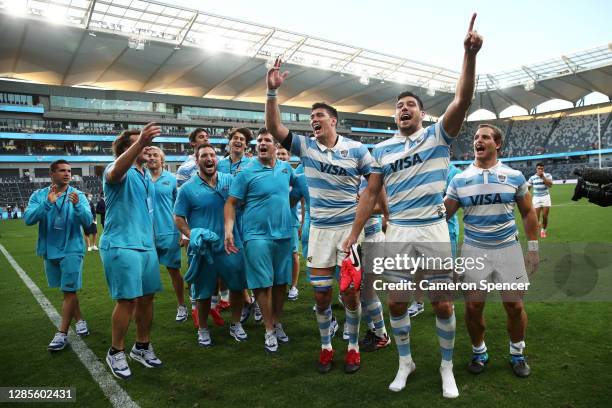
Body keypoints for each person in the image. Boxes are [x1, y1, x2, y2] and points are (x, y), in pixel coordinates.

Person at [343, 14, 483, 396]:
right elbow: (370, 194)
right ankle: (405, 362)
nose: (404, 109)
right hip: (399, 229)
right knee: (398, 304)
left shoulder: (438, 136)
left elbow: (463, 99)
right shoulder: (382, 150)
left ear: (421, 113)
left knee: (441, 305)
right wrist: (354, 233)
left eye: (410, 105)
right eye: (399, 106)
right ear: (394, 115)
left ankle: (446, 367)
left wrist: (468, 55)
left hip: (433, 228)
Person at [265, 61, 374, 374]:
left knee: (350, 292)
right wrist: (272, 93)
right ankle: (326, 345)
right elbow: (274, 129)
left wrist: (372, 209)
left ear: (334, 121)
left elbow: (374, 185)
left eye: (319, 116)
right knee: (322, 294)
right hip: (320, 231)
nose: (314, 121)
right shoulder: (306, 147)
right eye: (311, 117)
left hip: (350, 232)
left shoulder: (356, 150)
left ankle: (352, 346)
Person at [444, 124, 539, 378]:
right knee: (473, 308)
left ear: (497, 144)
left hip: (508, 250)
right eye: (476, 137)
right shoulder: (459, 180)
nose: (478, 140)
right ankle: (479, 352)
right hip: (475, 251)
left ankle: (517, 353)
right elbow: (443, 216)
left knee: (515, 307)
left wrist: (532, 249)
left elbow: (529, 213)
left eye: (485, 137)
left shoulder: (515, 176)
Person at [100, 124, 163, 380]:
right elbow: (115, 173)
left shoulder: (145, 175)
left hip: (145, 246)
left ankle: (142, 346)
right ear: (127, 149)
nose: (146, 147)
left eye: (146, 144)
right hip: (121, 245)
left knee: (147, 299)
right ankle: (116, 351)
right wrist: (139, 143)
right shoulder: (117, 169)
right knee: (127, 300)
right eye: (140, 143)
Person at [224, 129, 296, 353]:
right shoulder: (245, 173)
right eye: (259, 141)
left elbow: (295, 192)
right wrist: (228, 230)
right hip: (256, 236)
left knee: (281, 283)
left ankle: (276, 321)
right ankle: (268, 329)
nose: (262, 143)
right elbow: (231, 203)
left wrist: (288, 208)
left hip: (284, 234)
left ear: (276, 146)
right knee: (263, 284)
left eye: (267, 140)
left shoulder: (286, 169)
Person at [174, 143, 248, 347]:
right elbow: (178, 217)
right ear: (197, 161)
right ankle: (203, 329)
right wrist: (191, 234)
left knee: (237, 285)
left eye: (212, 155)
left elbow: (242, 201)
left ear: (216, 159)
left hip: (231, 243)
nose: (209, 158)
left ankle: (235, 323)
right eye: (204, 155)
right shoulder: (187, 189)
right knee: (203, 291)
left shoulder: (229, 180)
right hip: (203, 249)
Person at [24, 160, 93, 351]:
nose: (67, 173)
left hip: (72, 249)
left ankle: (62, 333)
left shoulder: (78, 195)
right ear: (52, 173)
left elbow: (88, 221)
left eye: (69, 171)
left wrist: (78, 206)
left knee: (69, 290)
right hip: (49, 249)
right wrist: (47, 203)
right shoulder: (39, 195)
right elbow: (28, 219)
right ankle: (80, 320)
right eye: (62, 170)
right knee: (67, 290)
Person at [407, 164, 461, 318]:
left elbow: (453, 201)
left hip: (446, 226)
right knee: (419, 265)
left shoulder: (454, 173)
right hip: (421, 225)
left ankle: (449, 300)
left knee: (449, 266)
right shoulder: (424, 168)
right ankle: (418, 302)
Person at [217, 128, 260, 320]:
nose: (238, 141)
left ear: (246, 144)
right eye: (235, 138)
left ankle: (255, 302)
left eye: (242, 139)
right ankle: (247, 301)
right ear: (229, 142)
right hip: (228, 219)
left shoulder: (252, 164)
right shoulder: (219, 164)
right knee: (235, 263)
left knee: (252, 262)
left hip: (247, 218)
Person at [147, 146, 186, 323]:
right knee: (147, 272)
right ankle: (146, 307)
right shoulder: (141, 178)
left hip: (169, 232)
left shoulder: (171, 179)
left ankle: (181, 305)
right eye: (149, 155)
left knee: (174, 271)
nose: (152, 158)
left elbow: (180, 208)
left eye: (156, 155)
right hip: (145, 234)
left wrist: (182, 232)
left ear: (162, 160)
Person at [357, 176, 391, 352]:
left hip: (374, 239)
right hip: (359, 240)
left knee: (369, 291)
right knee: (362, 291)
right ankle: (373, 331)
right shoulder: (349, 178)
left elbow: (384, 209)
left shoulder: (372, 180)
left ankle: (382, 335)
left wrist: (359, 207)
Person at [276, 145, 301, 301]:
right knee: (277, 255)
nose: (281, 156)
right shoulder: (271, 173)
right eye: (278, 153)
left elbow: (301, 195)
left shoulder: (294, 173)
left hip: (290, 220)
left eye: (283, 154)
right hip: (273, 221)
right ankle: (281, 284)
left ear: (289, 156)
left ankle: (293, 286)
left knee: (293, 254)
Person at [527, 163, 553, 238]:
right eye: (539, 168)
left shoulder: (548, 175)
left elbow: (550, 185)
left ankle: (543, 230)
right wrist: (527, 196)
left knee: (545, 216)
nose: (540, 170)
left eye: (542, 168)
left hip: (545, 197)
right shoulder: (532, 178)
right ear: (536, 169)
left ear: (543, 169)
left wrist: (543, 177)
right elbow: (528, 188)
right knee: (536, 217)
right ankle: (537, 225)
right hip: (536, 198)